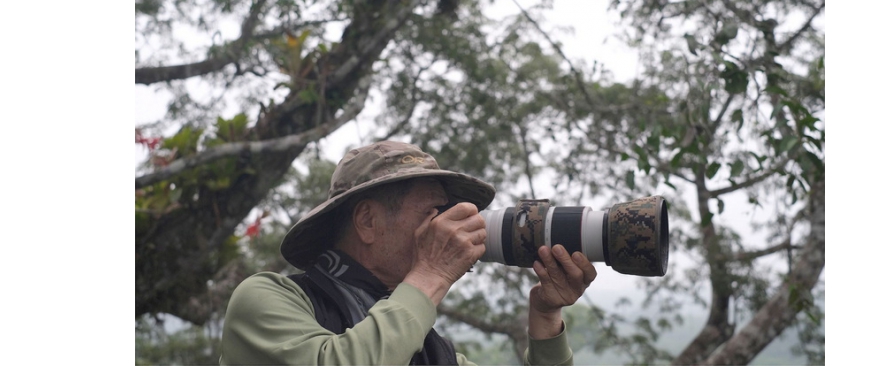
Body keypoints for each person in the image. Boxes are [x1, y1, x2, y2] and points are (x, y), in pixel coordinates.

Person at [220, 140, 597, 365]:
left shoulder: (430, 351)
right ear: (367, 221)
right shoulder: (267, 300)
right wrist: (432, 272)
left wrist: (545, 318)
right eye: (431, 212)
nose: (443, 225)